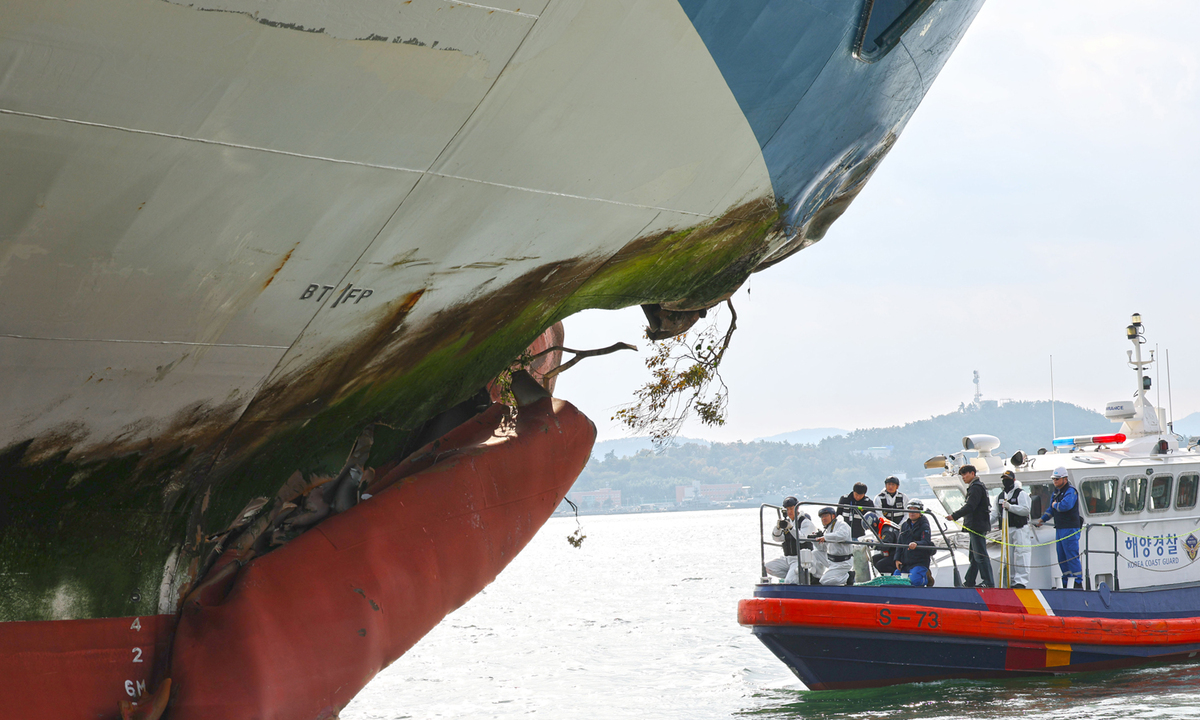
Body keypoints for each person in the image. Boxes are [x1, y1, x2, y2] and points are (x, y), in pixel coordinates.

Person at [1033, 467, 1083, 588]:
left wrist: (1056, 504)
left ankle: (1077, 582)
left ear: (1065, 479)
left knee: (1071, 554)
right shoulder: (1056, 492)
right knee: (1061, 556)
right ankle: (1066, 581)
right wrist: (1042, 519)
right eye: (1054, 479)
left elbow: (1065, 506)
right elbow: (1051, 509)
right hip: (1060, 528)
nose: (1055, 481)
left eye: (1057, 479)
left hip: (1070, 528)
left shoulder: (1071, 491)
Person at [945, 465, 994, 588]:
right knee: (974, 556)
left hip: (977, 526)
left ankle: (988, 583)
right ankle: (969, 582)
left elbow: (970, 506)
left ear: (972, 473)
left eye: (965, 474)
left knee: (980, 556)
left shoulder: (976, 487)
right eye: (961, 475)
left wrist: (954, 516)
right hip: (976, 526)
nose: (963, 477)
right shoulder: (977, 486)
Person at [992, 470, 1031, 588]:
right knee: (1008, 556)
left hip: (1019, 529)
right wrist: (984, 525)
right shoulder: (1000, 496)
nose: (1005, 481)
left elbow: (1026, 510)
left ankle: (1021, 582)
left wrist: (1011, 507)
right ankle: (1010, 580)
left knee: (1021, 554)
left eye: (1008, 479)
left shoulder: (1021, 494)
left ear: (1013, 480)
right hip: (1006, 529)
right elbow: (994, 514)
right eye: (1003, 479)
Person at [765, 496, 817, 583]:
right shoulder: (787, 522)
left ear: (797, 508)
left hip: (800, 558)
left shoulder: (805, 522)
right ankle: (798, 576)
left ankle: (799, 577)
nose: (789, 511)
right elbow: (778, 539)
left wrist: (791, 528)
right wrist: (778, 528)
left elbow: (802, 539)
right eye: (787, 509)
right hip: (787, 558)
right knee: (768, 567)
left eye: (791, 509)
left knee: (789, 581)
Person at [838, 482, 875, 583]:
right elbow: (837, 516)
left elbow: (873, 519)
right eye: (856, 494)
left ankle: (861, 582)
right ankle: (845, 581)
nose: (858, 497)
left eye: (860, 495)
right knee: (844, 561)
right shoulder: (844, 499)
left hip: (859, 536)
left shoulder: (868, 502)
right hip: (844, 536)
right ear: (853, 492)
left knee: (859, 562)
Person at [811, 506, 854, 586]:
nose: (823, 518)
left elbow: (842, 535)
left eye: (826, 516)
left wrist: (825, 537)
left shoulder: (842, 525)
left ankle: (847, 577)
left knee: (825, 581)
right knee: (815, 553)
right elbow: (823, 548)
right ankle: (817, 577)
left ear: (833, 516)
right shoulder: (828, 529)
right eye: (822, 517)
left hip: (843, 562)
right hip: (832, 560)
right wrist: (815, 540)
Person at [896, 499, 935, 587]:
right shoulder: (904, 525)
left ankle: (926, 578)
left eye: (915, 509)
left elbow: (926, 541)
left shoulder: (924, 525)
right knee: (894, 581)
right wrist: (897, 559)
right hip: (905, 562)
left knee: (914, 581)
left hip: (919, 561)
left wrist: (916, 544)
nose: (912, 512)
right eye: (910, 509)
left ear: (920, 511)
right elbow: (899, 544)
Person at [866, 512, 902, 576]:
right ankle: (887, 576)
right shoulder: (882, 525)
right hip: (893, 551)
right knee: (875, 559)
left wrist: (874, 545)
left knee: (881, 564)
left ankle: (895, 577)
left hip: (899, 554)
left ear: (874, 524)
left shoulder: (886, 530)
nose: (871, 531)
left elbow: (886, 546)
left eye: (870, 529)